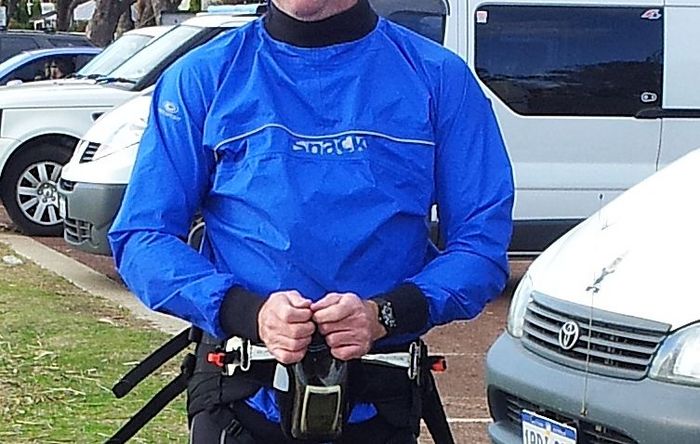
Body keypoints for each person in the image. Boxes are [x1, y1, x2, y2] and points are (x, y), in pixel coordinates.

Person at [108, 0, 515, 442]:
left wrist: (387, 314)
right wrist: (246, 312)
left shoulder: (439, 77)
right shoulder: (203, 76)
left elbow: (480, 247)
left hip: (378, 401)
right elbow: (143, 236)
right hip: (240, 399)